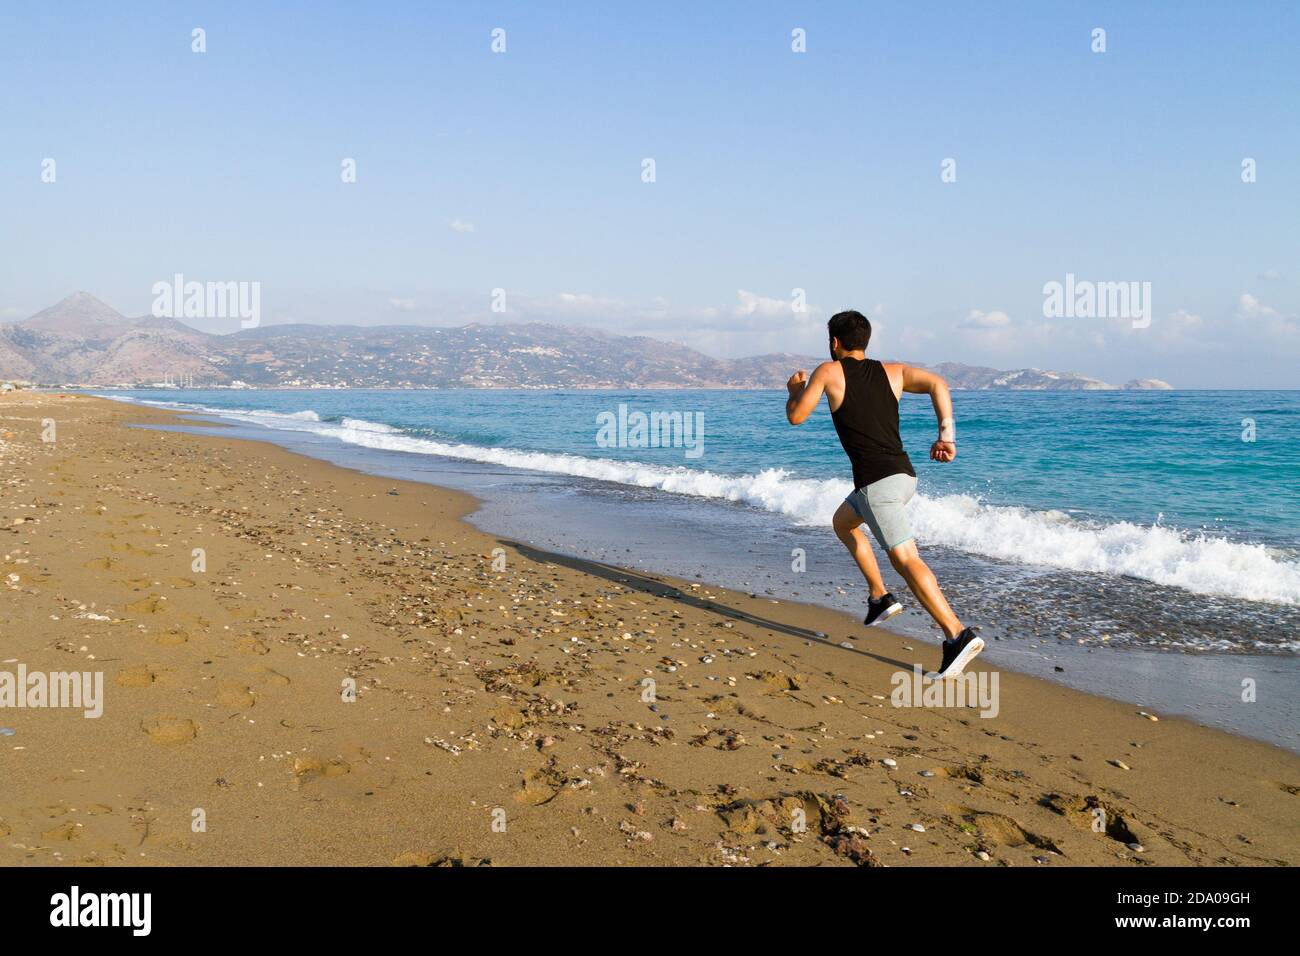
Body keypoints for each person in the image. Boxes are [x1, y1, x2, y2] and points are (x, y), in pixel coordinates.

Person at [785, 309, 983, 679]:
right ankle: (880, 597)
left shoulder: (828, 372)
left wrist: (795, 391)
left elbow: (796, 417)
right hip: (901, 478)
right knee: (843, 523)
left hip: (879, 486)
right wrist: (946, 436)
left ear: (834, 342)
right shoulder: (893, 372)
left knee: (906, 559)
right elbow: (939, 383)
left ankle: (957, 634)